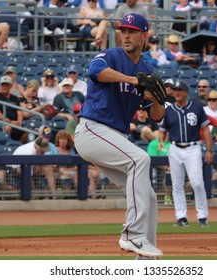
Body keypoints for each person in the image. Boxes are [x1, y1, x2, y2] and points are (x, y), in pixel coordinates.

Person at [74, 13, 164, 259]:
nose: (126, 34)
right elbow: (96, 71)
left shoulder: (146, 70)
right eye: (123, 30)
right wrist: (132, 80)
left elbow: (156, 116)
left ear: (144, 36)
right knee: (140, 159)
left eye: (132, 31)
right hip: (92, 129)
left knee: (149, 195)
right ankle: (132, 235)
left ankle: (145, 259)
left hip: (115, 138)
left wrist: (155, 98)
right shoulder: (111, 56)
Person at [159, 79, 212, 228]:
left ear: (186, 92)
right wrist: (162, 141)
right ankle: (181, 217)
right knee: (177, 185)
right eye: (174, 90)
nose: (176, 92)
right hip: (175, 148)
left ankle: (202, 216)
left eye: (179, 90)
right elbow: (163, 130)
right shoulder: (169, 110)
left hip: (193, 148)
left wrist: (209, 149)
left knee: (197, 183)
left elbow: (206, 130)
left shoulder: (197, 108)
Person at [0, 76, 26, 143]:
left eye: (7, 85)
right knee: (8, 127)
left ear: (10, 86)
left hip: (14, 122)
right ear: (0, 86)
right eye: (3, 85)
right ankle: (7, 145)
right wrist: (9, 122)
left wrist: (19, 121)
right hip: (1, 121)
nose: (5, 87)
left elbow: (19, 111)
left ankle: (17, 146)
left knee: (27, 131)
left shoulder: (14, 98)